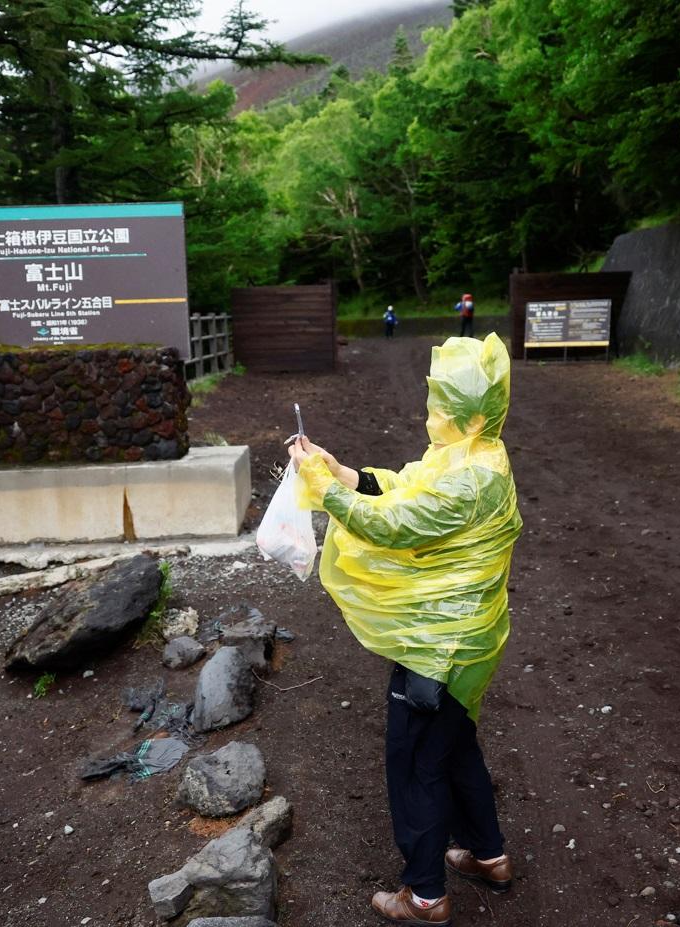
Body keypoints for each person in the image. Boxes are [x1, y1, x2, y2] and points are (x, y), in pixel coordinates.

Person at [287, 334, 522, 926]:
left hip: (438, 647)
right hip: (463, 640)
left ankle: (424, 896)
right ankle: (488, 854)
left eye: (439, 405)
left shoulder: (472, 478)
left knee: (415, 758)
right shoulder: (472, 453)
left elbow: (397, 525)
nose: (428, 414)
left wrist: (326, 494)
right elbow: (408, 487)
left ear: (470, 416)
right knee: (455, 741)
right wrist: (345, 473)